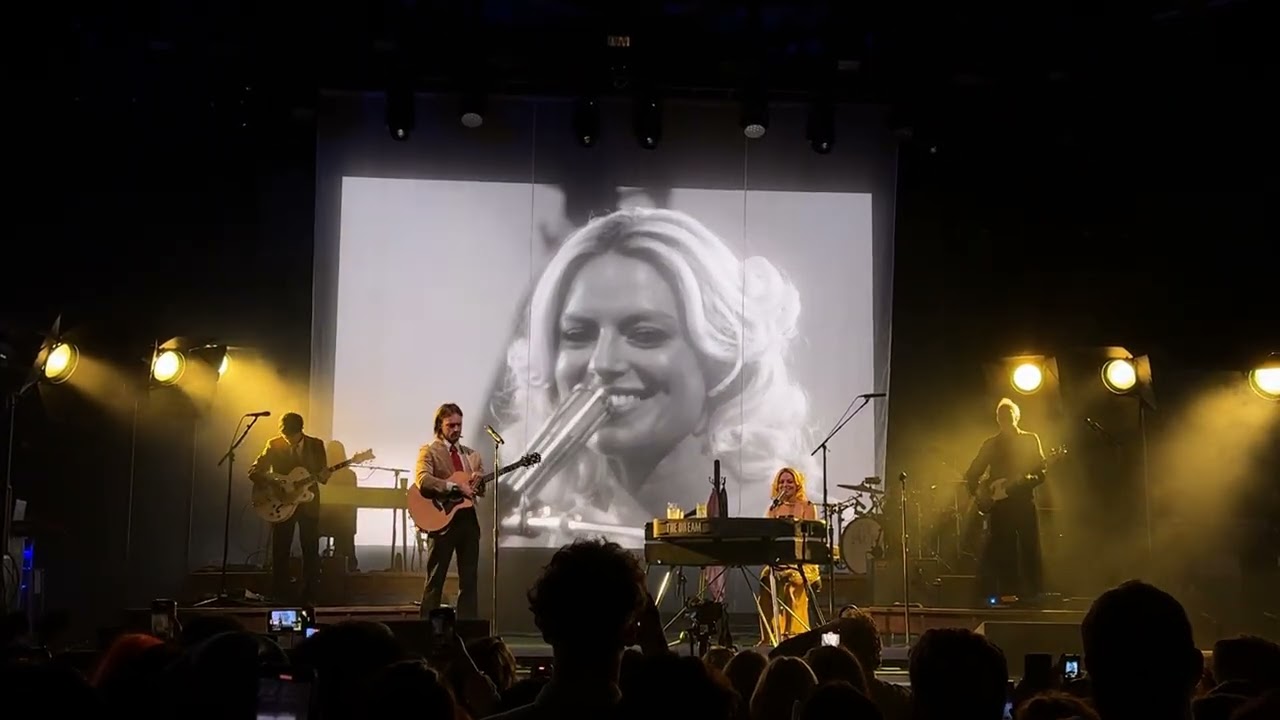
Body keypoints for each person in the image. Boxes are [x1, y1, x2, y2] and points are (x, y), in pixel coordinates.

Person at [493, 207, 814, 547]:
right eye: (578, 333)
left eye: (645, 334)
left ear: (718, 358)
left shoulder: (780, 519)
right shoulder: (531, 530)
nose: (603, 363)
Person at [963, 398, 1046, 603]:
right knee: (1003, 548)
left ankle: (1033, 593)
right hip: (1000, 506)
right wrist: (981, 496)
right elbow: (972, 474)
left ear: (1016, 417)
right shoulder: (991, 444)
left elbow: (1040, 473)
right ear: (997, 419)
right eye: (1002, 416)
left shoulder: (1030, 439)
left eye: (1009, 416)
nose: (1005, 420)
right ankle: (1009, 592)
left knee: (1030, 546)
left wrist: (1025, 482)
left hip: (1024, 501)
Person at [248, 412, 329, 601]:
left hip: (308, 502)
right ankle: (280, 591)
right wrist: (275, 481)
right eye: (285, 434)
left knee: (310, 546)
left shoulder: (316, 445)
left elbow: (322, 477)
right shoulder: (274, 444)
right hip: (281, 503)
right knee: (280, 547)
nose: (288, 439)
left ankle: (310, 592)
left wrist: (324, 475)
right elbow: (254, 471)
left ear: (301, 431)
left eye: (291, 435)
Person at [415, 403, 484, 619]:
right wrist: (454, 487)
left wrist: (479, 483)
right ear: (440, 425)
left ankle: (468, 631)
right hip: (442, 520)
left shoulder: (472, 456)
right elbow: (423, 479)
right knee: (436, 579)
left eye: (459, 425)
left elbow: (479, 490)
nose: (456, 429)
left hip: (468, 520)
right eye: (451, 425)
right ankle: (426, 631)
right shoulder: (429, 451)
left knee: (470, 580)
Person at [757, 467, 820, 643]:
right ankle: (768, 637)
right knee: (766, 582)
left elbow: (810, 541)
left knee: (790, 584)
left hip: (802, 562)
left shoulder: (807, 507)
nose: (786, 485)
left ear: (797, 484)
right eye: (782, 482)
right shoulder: (773, 508)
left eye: (789, 481)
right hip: (778, 561)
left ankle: (792, 636)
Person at [320, 439, 359, 571]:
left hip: (333, 519)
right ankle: (349, 563)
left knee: (344, 526)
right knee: (345, 528)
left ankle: (343, 562)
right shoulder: (348, 474)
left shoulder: (349, 475)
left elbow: (351, 500)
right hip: (327, 518)